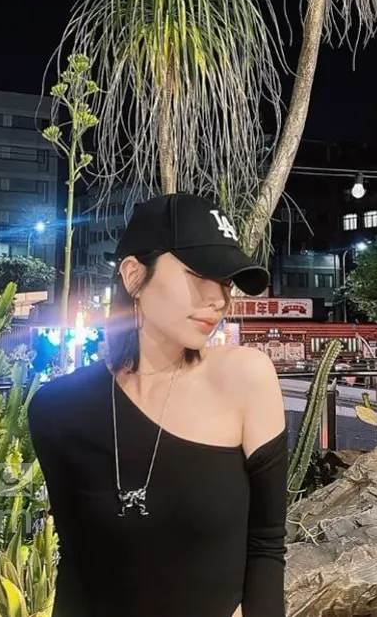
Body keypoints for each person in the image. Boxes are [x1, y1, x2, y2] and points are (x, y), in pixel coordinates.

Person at [28, 193, 288, 617]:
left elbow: (267, 544)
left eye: (226, 281)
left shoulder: (245, 379)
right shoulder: (57, 409)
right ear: (134, 275)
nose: (220, 299)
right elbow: (76, 565)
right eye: (199, 274)